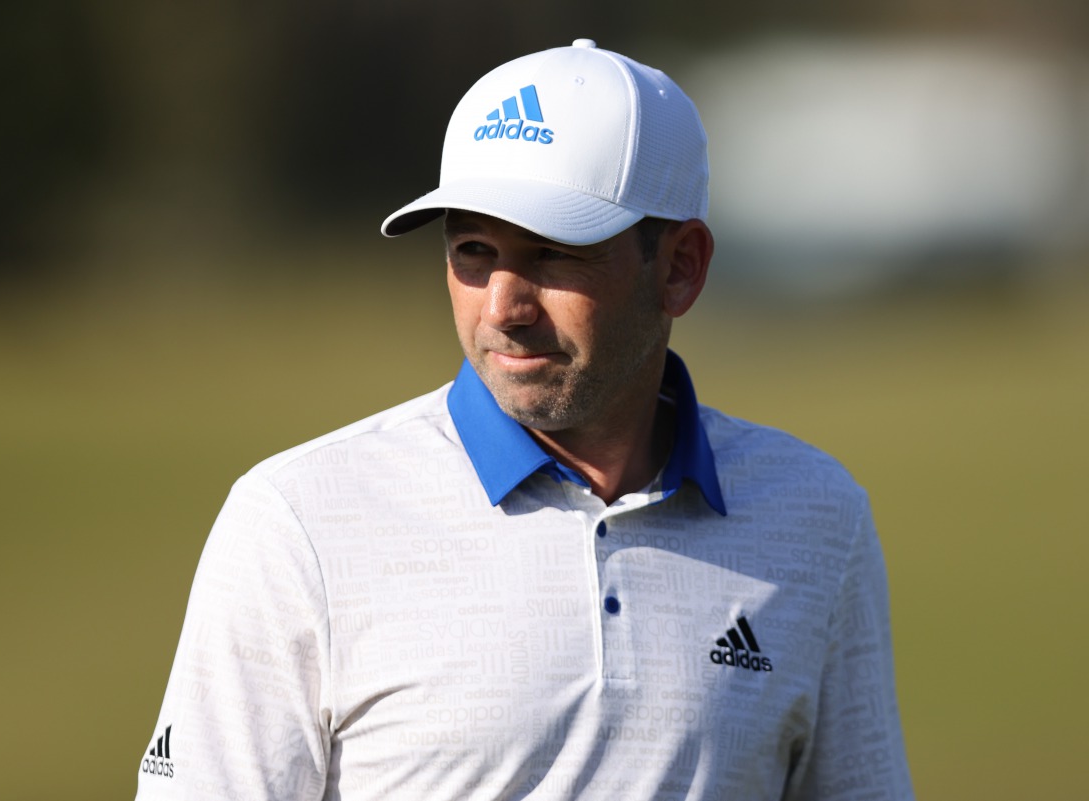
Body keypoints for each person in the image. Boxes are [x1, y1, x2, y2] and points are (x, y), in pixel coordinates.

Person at [135, 39, 913, 800]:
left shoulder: (817, 517)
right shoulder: (298, 521)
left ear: (680, 266)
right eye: (474, 250)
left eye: (553, 254)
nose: (502, 308)